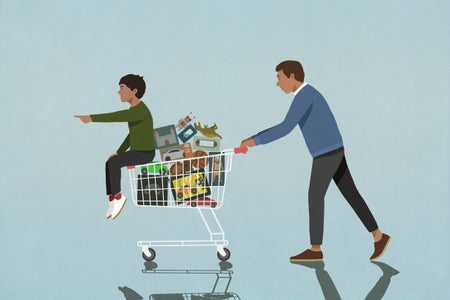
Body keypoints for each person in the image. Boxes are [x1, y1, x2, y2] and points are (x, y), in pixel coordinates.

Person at [240, 60, 390, 261]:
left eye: (279, 78)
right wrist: (254, 139)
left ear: (292, 77)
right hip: (333, 149)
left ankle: (316, 250)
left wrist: (254, 141)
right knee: (350, 193)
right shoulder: (307, 95)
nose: (278, 84)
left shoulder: (305, 96)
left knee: (315, 196)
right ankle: (378, 236)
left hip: (326, 153)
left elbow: (285, 128)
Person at [75, 74, 156, 220]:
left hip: (145, 153)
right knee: (110, 162)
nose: (119, 92)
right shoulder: (135, 111)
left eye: (122, 88)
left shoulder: (139, 111)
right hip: (137, 151)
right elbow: (131, 136)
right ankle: (112, 200)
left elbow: (116, 116)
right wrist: (119, 152)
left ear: (134, 91)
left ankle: (118, 197)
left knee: (113, 163)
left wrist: (91, 118)